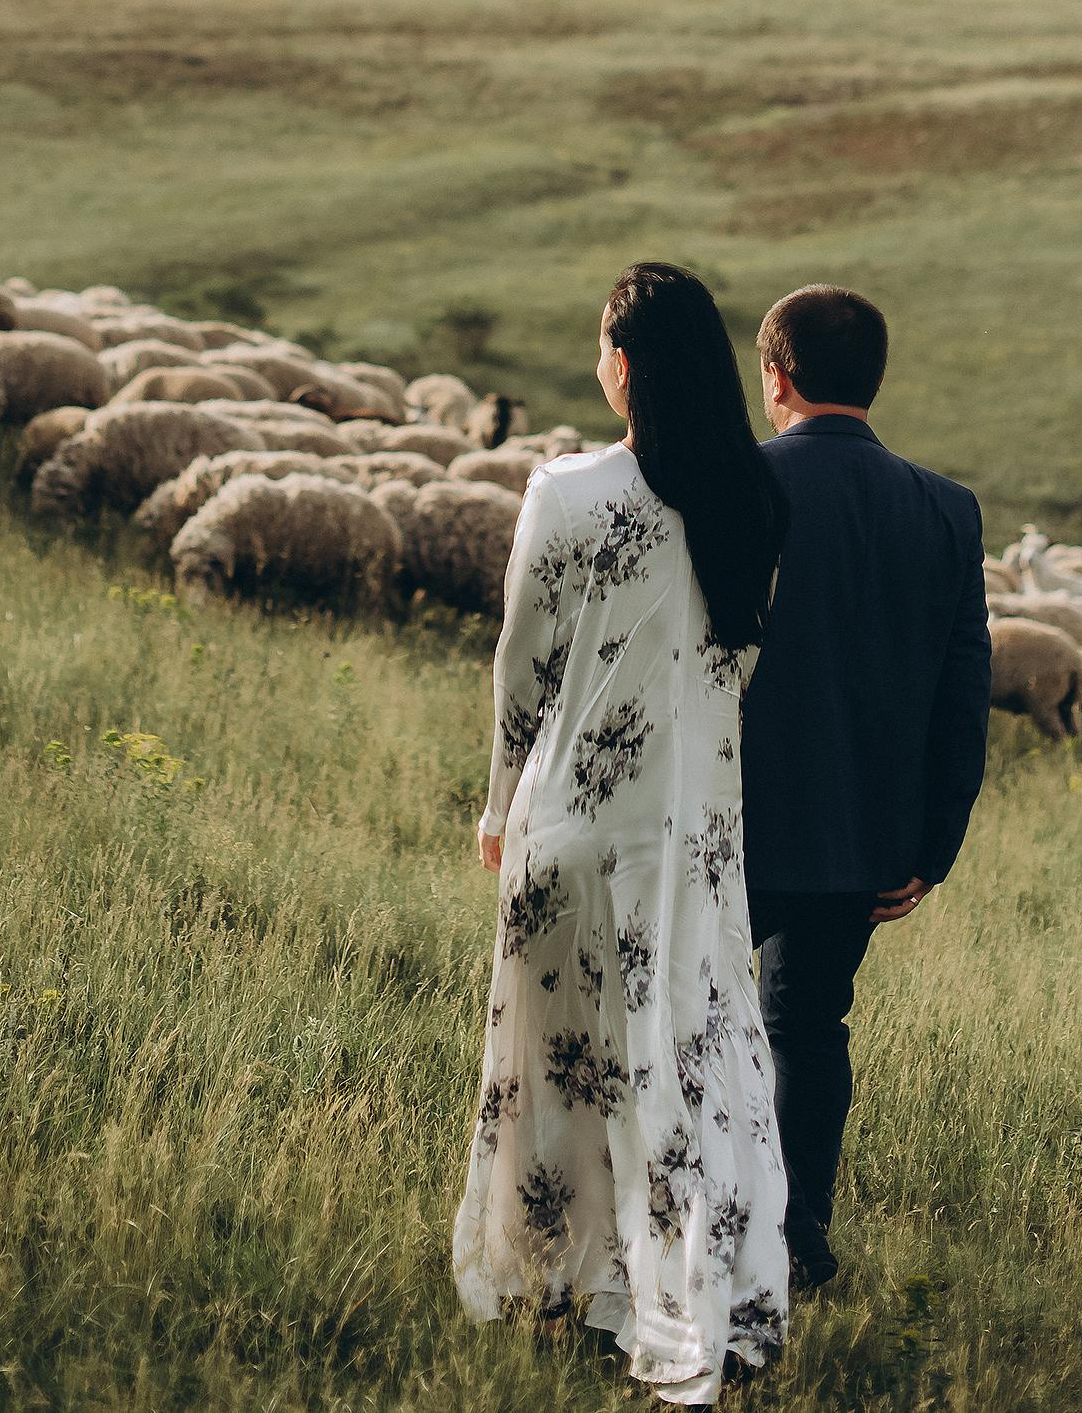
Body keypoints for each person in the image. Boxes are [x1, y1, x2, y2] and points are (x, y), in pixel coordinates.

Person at [453, 262, 792, 1406]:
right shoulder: (753, 501)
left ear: (629, 362)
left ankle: (562, 1279)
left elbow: (522, 672)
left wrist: (498, 808)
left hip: (572, 828)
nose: (597, 359)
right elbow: (733, 667)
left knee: (559, 1069)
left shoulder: (566, 489)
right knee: (686, 1065)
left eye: (604, 340)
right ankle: (694, 1286)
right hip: (689, 841)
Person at [740, 285, 990, 1290]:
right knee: (807, 1022)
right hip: (861, 836)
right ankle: (797, 1234)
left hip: (732, 821)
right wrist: (928, 846)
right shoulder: (944, 508)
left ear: (776, 375)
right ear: (871, 379)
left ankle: (697, 1216)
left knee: (694, 1012)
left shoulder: (739, 484)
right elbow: (962, 689)